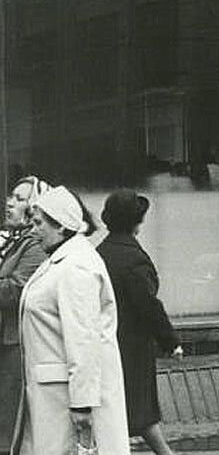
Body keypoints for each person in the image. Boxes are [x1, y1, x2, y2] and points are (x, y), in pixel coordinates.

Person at [16, 186, 129, 455]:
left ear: (62, 225)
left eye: (38, 223)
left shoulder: (76, 266)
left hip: (66, 399)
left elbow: (84, 339)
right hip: (53, 394)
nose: (33, 230)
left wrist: (82, 403)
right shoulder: (60, 260)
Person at [97, 190, 183, 455]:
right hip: (132, 345)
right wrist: (171, 342)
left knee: (121, 411)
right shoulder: (133, 258)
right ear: (137, 221)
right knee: (140, 410)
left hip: (107, 340)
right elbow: (149, 306)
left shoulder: (100, 252)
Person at [0, 176, 47, 453]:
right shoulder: (11, 241)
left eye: (19, 199)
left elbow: (19, 288)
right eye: (11, 196)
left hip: (14, 342)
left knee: (9, 421)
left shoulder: (34, 243)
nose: (9, 203)